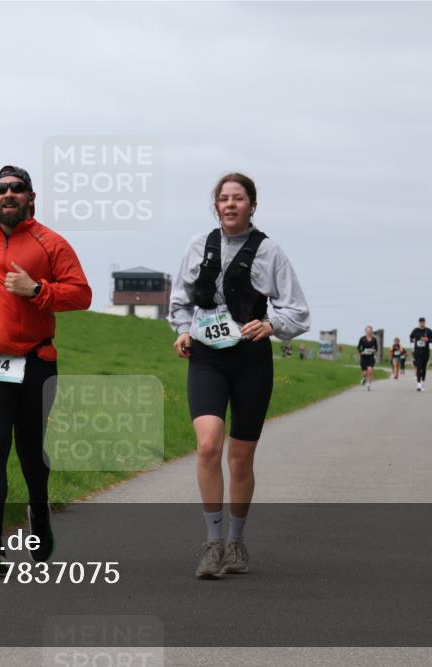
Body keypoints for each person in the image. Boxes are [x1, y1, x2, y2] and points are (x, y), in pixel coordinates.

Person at [0, 165, 92, 568]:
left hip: (36, 361)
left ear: (31, 197)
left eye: (17, 188)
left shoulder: (51, 243)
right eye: (0, 189)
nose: (8, 194)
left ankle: (40, 518)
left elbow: (81, 294)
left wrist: (38, 290)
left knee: (30, 452)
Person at [169, 172, 310, 580]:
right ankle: (212, 546)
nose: (230, 205)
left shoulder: (270, 252)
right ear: (216, 206)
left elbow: (298, 310)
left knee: (241, 458)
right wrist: (181, 331)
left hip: (250, 359)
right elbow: (178, 300)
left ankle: (236, 541)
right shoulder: (198, 246)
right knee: (209, 445)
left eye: (239, 198)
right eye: (224, 199)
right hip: (207, 358)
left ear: (252, 205)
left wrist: (271, 325)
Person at [409, 317, 432, 391]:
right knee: (418, 366)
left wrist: (427, 339)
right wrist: (412, 339)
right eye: (420, 322)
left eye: (423, 322)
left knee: (423, 368)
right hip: (417, 352)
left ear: (425, 322)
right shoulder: (415, 330)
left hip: (425, 352)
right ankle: (418, 385)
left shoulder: (428, 331)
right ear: (419, 323)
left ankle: (422, 383)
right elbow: (411, 337)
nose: (422, 323)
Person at [357, 326, 378, 390]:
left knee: (370, 370)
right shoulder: (362, 338)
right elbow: (358, 347)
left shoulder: (374, 339)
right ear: (365, 331)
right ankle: (364, 378)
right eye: (367, 330)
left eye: (370, 330)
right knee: (364, 373)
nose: (369, 332)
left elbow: (376, 348)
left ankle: (368, 384)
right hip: (363, 357)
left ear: (372, 331)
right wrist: (361, 352)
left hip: (371, 357)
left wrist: (374, 350)